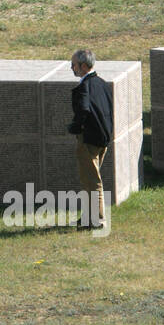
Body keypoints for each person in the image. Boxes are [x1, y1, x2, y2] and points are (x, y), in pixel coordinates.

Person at [67, 49, 112, 229]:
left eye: (74, 65)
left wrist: (75, 127)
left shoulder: (84, 87)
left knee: (92, 182)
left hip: (89, 140)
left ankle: (98, 220)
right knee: (89, 180)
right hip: (102, 139)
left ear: (84, 66)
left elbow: (84, 109)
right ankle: (88, 216)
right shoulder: (102, 84)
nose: (72, 68)